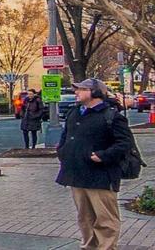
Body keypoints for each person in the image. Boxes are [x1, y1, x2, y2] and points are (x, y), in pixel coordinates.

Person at [57, 77, 134, 250]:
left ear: (95, 92)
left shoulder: (111, 116)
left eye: (81, 89)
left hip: (101, 176)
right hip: (76, 173)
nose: (76, 92)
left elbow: (124, 143)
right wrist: (62, 151)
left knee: (105, 217)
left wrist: (103, 156)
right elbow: (65, 135)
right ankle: (89, 246)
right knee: (84, 217)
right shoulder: (75, 112)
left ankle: (106, 247)